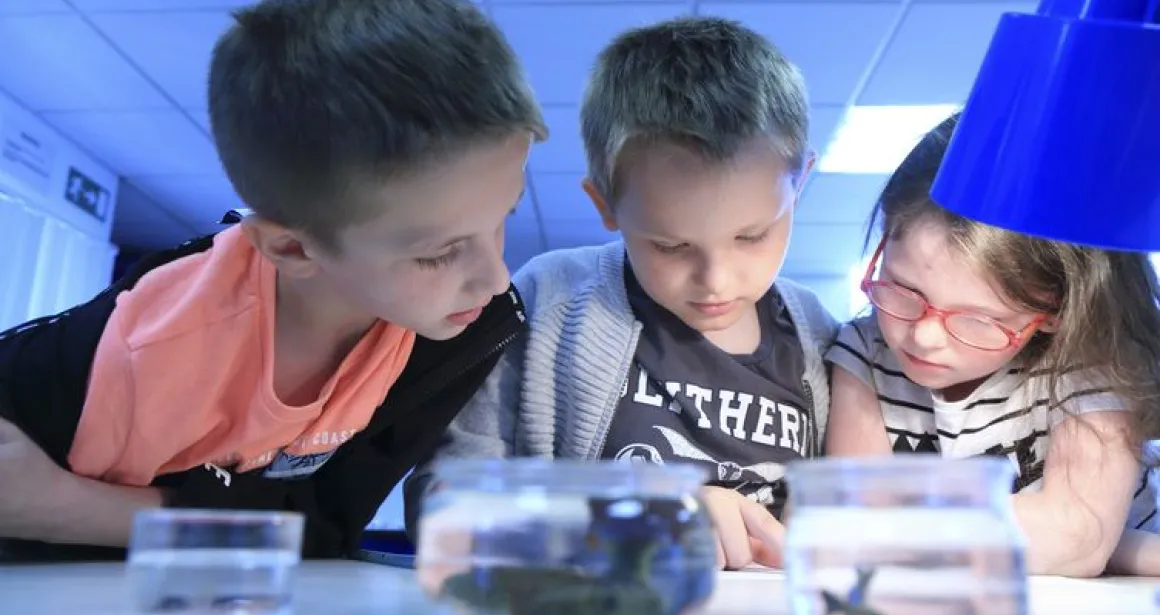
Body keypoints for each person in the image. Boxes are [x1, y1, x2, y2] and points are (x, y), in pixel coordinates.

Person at [0, 0, 545, 561]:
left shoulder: (464, 329)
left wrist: (69, 507)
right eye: (438, 254)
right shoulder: (131, 350)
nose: (495, 278)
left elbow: (321, 528)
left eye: (502, 218)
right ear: (291, 248)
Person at [404, 16, 838, 571]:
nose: (717, 280)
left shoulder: (816, 333)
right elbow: (443, 507)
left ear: (799, 182)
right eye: (671, 246)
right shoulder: (547, 303)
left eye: (752, 236)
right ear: (605, 204)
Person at [824, 112, 1160, 577]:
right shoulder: (865, 351)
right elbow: (852, 521)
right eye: (902, 288)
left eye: (977, 320)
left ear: (1055, 310)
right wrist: (1113, 544)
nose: (923, 336)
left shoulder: (1094, 361)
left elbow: (1074, 539)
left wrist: (1090, 540)